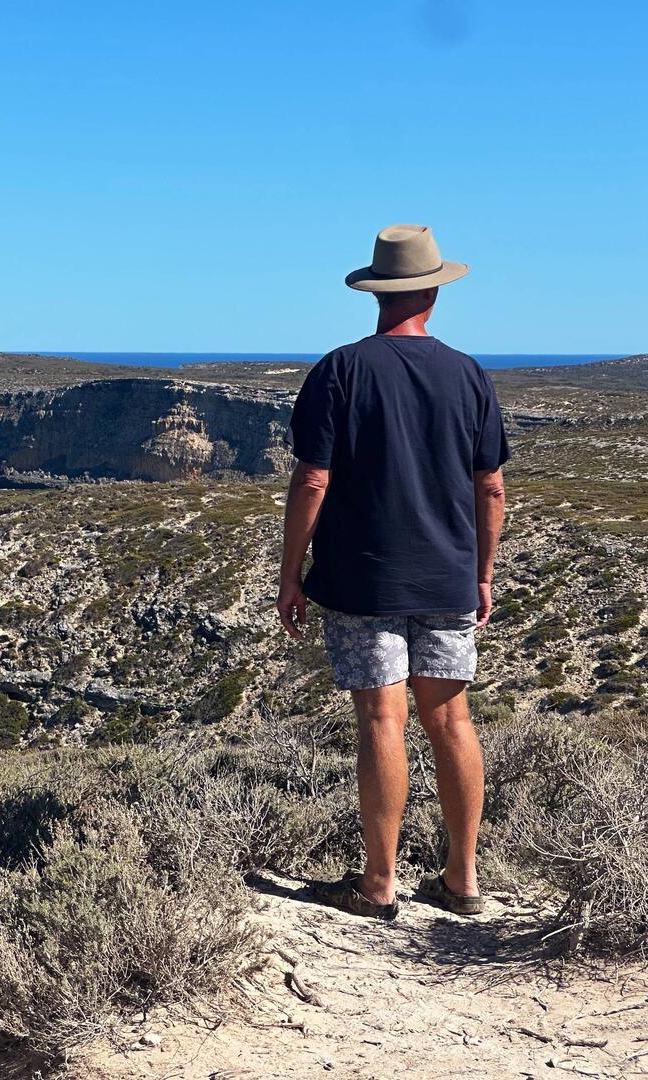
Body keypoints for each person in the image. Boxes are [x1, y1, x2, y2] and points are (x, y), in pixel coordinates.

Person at [276, 224, 509, 921]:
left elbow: (312, 479)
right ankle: (462, 880)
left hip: (363, 580)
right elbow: (490, 487)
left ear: (376, 294)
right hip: (448, 577)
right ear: (434, 292)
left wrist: (291, 573)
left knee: (383, 718)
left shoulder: (340, 370)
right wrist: (483, 575)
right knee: (452, 719)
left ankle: (379, 885)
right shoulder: (469, 375)